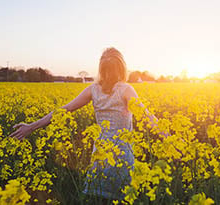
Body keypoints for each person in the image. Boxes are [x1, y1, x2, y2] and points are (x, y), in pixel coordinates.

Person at [9, 47, 159, 203]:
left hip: (100, 154)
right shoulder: (126, 89)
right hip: (121, 154)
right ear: (122, 67)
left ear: (101, 69)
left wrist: (31, 126)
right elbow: (147, 117)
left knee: (97, 198)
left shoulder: (93, 90)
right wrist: (169, 138)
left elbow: (62, 110)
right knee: (123, 198)